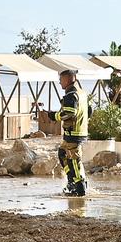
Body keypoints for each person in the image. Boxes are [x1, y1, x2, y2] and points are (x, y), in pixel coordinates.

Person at [51, 69, 89, 197]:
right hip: (77, 131)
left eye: (61, 79)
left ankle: (79, 187)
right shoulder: (82, 93)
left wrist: (54, 116)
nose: (59, 82)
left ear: (68, 79)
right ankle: (72, 181)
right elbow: (90, 110)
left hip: (74, 133)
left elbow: (69, 113)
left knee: (73, 159)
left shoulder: (71, 95)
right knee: (62, 153)